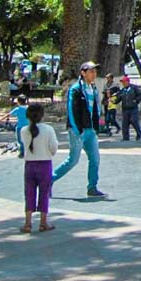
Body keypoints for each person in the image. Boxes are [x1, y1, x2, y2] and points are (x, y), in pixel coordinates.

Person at [52, 61, 105, 197]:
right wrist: (76, 129)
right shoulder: (76, 89)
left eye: (95, 71)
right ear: (83, 72)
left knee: (95, 159)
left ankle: (92, 187)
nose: (94, 74)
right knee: (73, 160)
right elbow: (71, 110)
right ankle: (49, 180)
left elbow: (95, 109)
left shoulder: (93, 89)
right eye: (91, 71)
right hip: (78, 130)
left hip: (91, 130)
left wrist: (97, 125)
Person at [20, 103, 58, 233]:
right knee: (44, 193)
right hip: (45, 163)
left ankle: (27, 223)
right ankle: (43, 222)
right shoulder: (48, 129)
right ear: (42, 115)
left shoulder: (24, 130)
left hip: (29, 164)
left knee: (29, 193)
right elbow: (53, 148)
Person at [118, 75, 141, 141]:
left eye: (124, 82)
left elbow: (140, 95)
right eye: (122, 82)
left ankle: (139, 133)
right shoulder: (122, 90)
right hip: (125, 109)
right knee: (125, 124)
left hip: (133, 108)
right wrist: (114, 101)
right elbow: (119, 98)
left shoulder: (134, 88)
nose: (123, 83)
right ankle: (125, 137)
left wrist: (136, 100)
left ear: (128, 82)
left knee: (134, 120)